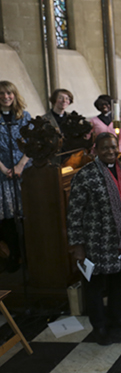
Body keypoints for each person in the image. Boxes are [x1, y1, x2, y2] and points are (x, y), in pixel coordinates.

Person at [67, 133, 121, 345]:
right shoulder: (85, 175)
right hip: (96, 241)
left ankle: (117, 317)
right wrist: (78, 246)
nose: (110, 151)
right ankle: (99, 325)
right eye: (105, 148)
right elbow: (74, 213)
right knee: (95, 286)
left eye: (113, 147)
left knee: (119, 282)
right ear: (95, 150)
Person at [0, 81, 31, 273]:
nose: (5, 97)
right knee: (7, 219)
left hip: (24, 172)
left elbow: (32, 144)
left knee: (25, 216)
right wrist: (3, 169)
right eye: (1, 93)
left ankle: (29, 255)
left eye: (9, 93)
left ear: (14, 95)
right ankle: (14, 254)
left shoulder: (24, 116)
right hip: (1, 175)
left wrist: (20, 165)